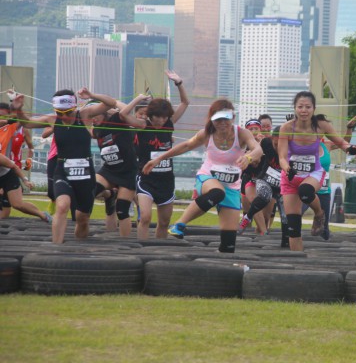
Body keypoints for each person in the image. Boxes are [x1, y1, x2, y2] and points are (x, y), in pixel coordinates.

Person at [144, 99, 263, 253]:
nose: (222, 123)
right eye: (218, 119)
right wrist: (159, 159)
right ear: (212, 120)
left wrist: (248, 157)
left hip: (231, 186)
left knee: (228, 245)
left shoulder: (241, 133)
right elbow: (186, 145)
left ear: (233, 117)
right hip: (208, 178)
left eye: (226, 119)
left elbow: (258, 149)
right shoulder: (206, 134)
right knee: (217, 193)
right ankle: (179, 224)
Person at [13, 89, 118, 243]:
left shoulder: (85, 115)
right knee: (62, 206)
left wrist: (92, 96)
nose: (64, 116)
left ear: (74, 107)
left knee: (82, 218)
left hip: (85, 173)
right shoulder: (52, 119)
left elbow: (111, 103)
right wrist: (19, 109)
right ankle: (56, 247)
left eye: (68, 113)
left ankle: (79, 248)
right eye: (60, 113)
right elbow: (27, 123)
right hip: (63, 170)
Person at [278, 91, 356, 251]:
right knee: (292, 228)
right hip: (291, 176)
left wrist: (351, 149)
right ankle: (297, 259)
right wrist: (287, 168)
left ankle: (319, 213)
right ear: (295, 108)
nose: (304, 110)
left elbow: (341, 142)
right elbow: (282, 157)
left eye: (308, 107)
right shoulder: (286, 128)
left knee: (305, 191)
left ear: (314, 108)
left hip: (313, 173)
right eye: (300, 107)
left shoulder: (321, 126)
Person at [125, 70, 189, 239]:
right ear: (150, 115)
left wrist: (179, 83)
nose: (160, 121)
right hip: (146, 179)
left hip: (166, 180)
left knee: (164, 222)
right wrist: (138, 99)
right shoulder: (142, 125)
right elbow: (123, 114)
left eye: (163, 117)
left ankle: (159, 248)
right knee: (145, 217)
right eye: (157, 117)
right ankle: (142, 247)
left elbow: (185, 102)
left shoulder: (169, 124)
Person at [90, 93, 153, 238]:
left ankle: (125, 241)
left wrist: (120, 102)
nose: (93, 118)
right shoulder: (96, 129)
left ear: (103, 113)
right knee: (88, 191)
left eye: (96, 114)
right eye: (91, 116)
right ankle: (109, 195)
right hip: (109, 170)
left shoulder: (116, 120)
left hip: (127, 173)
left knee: (122, 210)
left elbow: (125, 111)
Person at [302, 114, 356, 240]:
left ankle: (324, 244)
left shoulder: (327, 144)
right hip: (307, 188)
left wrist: (349, 128)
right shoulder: (302, 144)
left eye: (324, 128)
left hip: (324, 190)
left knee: (324, 228)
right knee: (296, 216)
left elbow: (344, 142)